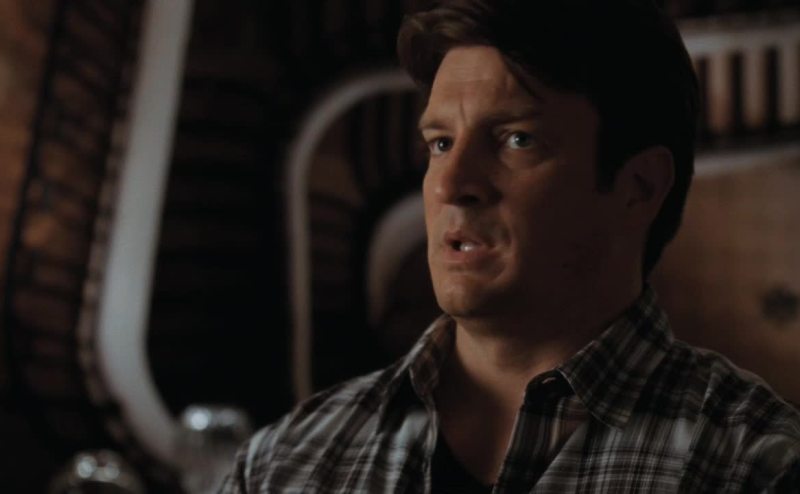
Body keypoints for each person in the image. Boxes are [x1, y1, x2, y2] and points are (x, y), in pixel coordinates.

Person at [220, 0, 800, 492]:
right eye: (440, 143)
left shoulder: (757, 468)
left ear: (639, 186)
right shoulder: (283, 467)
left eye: (517, 139)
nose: (450, 185)